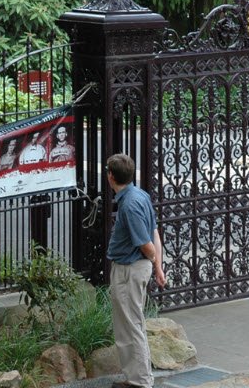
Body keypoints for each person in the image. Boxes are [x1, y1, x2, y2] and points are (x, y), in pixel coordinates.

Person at [105, 153, 166, 388]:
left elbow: (146, 244)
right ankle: (138, 378)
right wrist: (158, 267)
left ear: (111, 175)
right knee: (133, 324)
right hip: (135, 267)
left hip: (129, 270)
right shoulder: (140, 195)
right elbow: (155, 233)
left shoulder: (129, 205)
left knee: (129, 328)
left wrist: (155, 261)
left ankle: (140, 382)